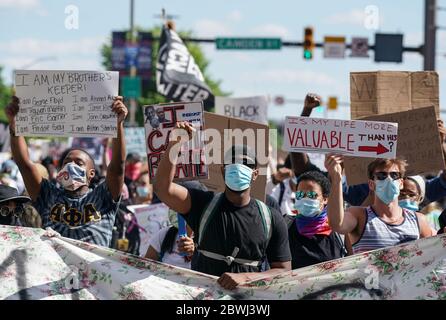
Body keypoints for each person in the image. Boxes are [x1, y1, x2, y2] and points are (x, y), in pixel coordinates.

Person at [153, 122, 291, 290]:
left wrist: (247, 277)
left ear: (255, 174)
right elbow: (163, 189)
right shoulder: (203, 203)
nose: (239, 167)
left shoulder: (271, 218)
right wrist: (175, 144)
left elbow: (283, 270)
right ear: (223, 170)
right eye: (232, 162)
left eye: (246, 164)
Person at [5, 95, 128, 247]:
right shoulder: (48, 195)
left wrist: (118, 125)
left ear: (91, 174)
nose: (71, 166)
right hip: (56, 269)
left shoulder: (103, 196)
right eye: (67, 162)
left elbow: (118, 166)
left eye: (79, 163)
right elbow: (25, 165)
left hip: (94, 269)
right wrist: (15, 126)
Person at [325, 155, 434, 254]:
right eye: (382, 175)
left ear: (401, 183)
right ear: (371, 184)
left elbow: (433, 253)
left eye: (394, 175)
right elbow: (337, 224)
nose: (388, 179)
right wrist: (336, 178)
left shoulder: (418, 220)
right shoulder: (360, 216)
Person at [287, 171, 346, 269]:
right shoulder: (285, 226)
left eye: (311, 195)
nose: (305, 199)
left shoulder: (339, 230)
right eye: (300, 195)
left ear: (325, 199)